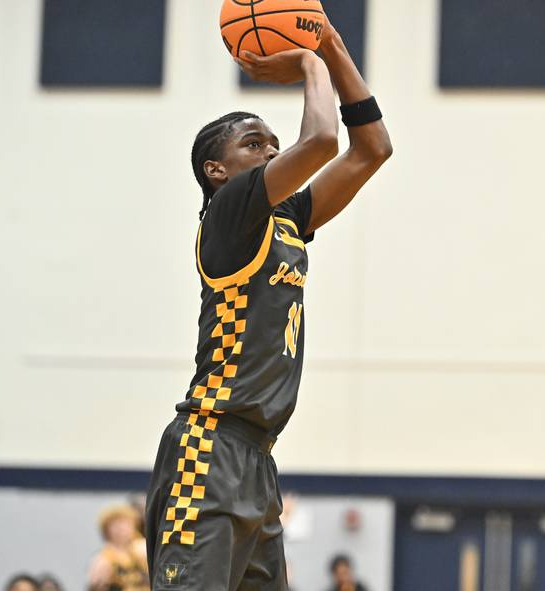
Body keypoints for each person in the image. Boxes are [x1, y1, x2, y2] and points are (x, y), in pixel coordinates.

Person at [145, 11, 392, 591]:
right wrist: (309, 59)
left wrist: (332, 43)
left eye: (273, 144)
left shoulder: (285, 222)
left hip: (257, 460)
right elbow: (325, 141)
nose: (270, 153)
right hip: (206, 452)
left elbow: (371, 149)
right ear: (216, 170)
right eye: (253, 144)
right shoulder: (227, 215)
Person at [88, 505, 148, 591]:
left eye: (125, 524)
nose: (121, 529)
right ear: (106, 531)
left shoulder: (143, 548)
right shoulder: (103, 559)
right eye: (115, 525)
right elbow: (95, 586)